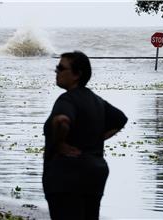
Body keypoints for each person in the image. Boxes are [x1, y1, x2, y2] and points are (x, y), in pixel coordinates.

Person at [43, 51, 128, 220]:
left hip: (67, 176)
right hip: (95, 174)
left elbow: (62, 120)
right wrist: (97, 138)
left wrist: (59, 143)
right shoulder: (96, 100)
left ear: (77, 75)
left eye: (61, 68)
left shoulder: (66, 100)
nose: (56, 71)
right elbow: (120, 119)